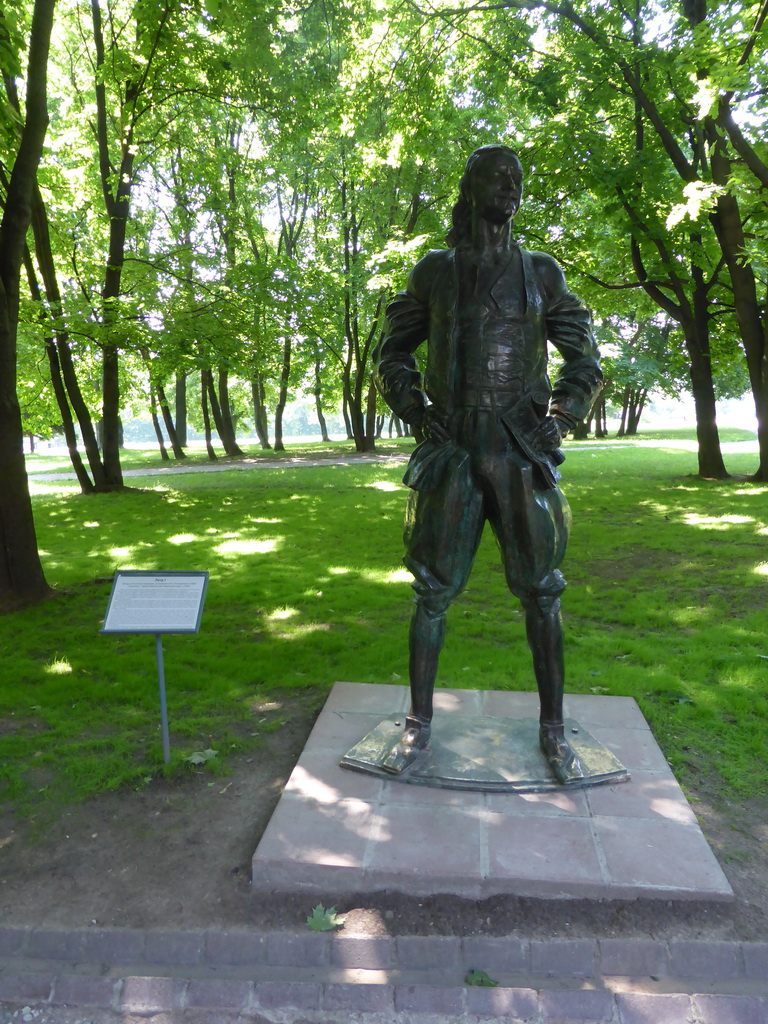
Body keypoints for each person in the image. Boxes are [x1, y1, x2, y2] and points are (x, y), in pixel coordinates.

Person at [373, 144, 603, 784]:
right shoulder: (435, 272)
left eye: (516, 179)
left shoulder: (542, 273)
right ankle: (417, 725)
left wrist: (564, 416)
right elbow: (392, 351)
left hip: (519, 451)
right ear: (470, 188)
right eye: (495, 177)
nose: (509, 187)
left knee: (542, 593)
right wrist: (416, 408)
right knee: (432, 591)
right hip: (453, 451)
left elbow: (584, 357)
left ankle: (554, 730)